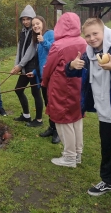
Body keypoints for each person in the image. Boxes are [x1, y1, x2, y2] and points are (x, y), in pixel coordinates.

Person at [66, 17, 111, 195]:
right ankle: (107, 181)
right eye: (88, 35)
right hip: (106, 110)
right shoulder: (89, 53)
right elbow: (70, 71)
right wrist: (72, 65)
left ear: (104, 32)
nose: (92, 38)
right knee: (107, 146)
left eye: (95, 34)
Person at [42, 12, 87, 168]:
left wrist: (44, 81)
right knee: (77, 118)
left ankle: (69, 157)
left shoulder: (58, 45)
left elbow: (49, 67)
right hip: (79, 85)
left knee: (63, 120)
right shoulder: (84, 41)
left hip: (61, 87)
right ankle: (77, 153)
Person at [23, 15, 59, 142]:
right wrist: (34, 72)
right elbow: (41, 59)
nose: (35, 26)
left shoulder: (50, 34)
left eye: (37, 23)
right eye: (33, 25)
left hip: (53, 76)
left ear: (43, 23)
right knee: (48, 103)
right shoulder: (37, 38)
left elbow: (55, 52)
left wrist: (43, 41)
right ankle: (52, 127)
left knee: (54, 104)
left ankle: (58, 132)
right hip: (44, 76)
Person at [11, 5, 44, 127]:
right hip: (24, 66)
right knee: (18, 89)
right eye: (23, 19)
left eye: (28, 19)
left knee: (36, 93)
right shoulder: (23, 31)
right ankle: (26, 116)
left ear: (33, 19)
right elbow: (20, 48)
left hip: (34, 67)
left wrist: (20, 65)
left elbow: (31, 50)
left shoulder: (35, 31)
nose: (25, 21)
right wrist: (16, 65)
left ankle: (39, 120)